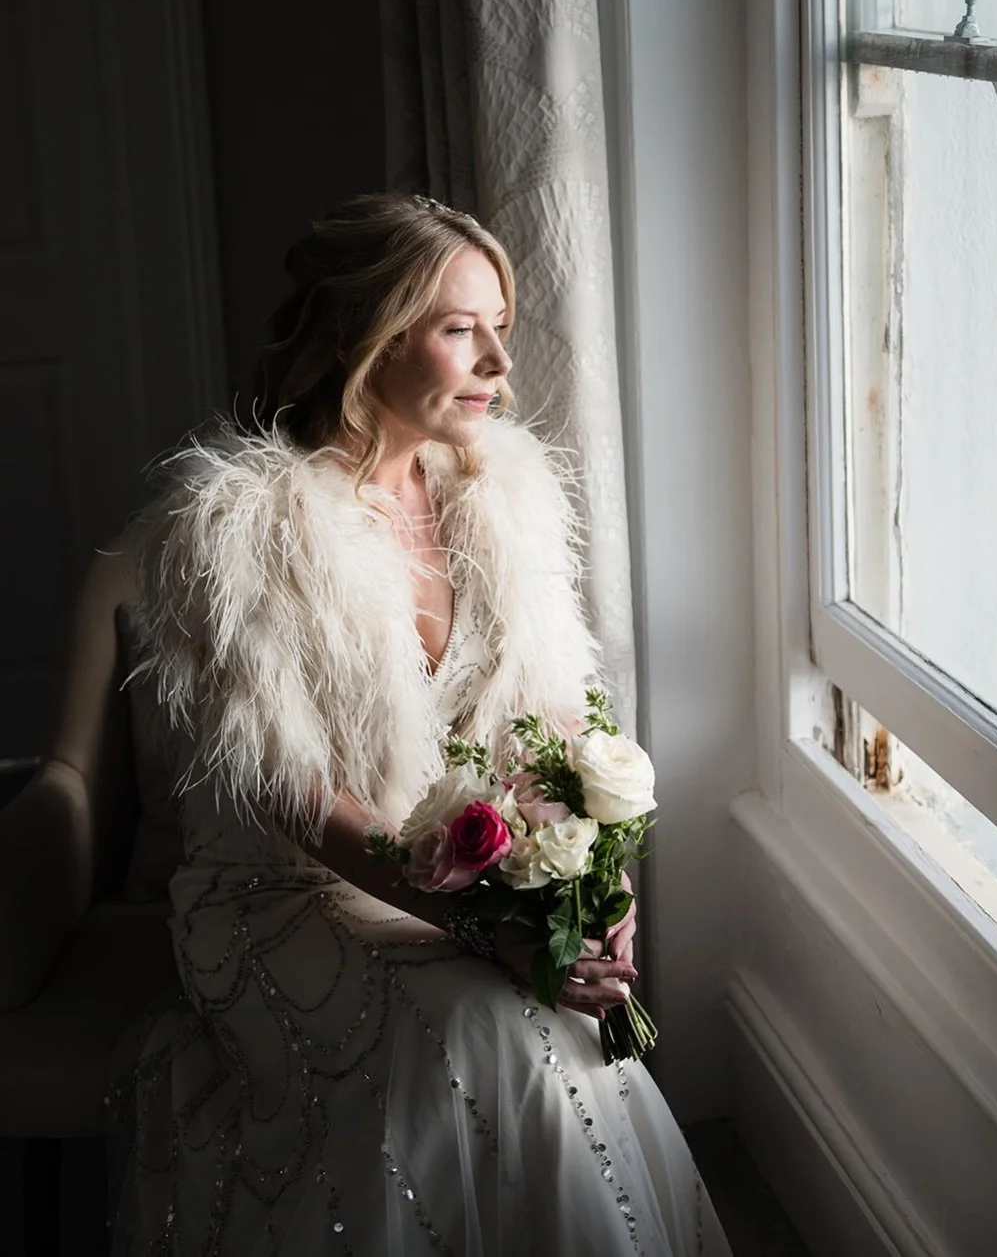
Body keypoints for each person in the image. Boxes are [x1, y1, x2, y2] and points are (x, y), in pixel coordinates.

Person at [109, 193, 732, 1255]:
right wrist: (489, 930)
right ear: (368, 335)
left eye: (501, 327)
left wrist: (595, 880)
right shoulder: (236, 526)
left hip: (454, 870)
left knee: (561, 1033)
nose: (498, 361)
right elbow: (293, 797)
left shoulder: (505, 494)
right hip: (285, 894)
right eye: (459, 328)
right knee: (499, 1035)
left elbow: (556, 720)